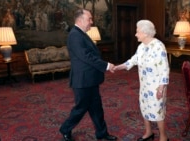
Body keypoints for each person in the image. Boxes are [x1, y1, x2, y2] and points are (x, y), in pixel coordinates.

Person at [59, 8, 117, 141]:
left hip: (90, 80)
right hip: (82, 81)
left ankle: (102, 133)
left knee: (97, 108)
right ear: (80, 20)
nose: (92, 22)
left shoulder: (81, 33)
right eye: (89, 19)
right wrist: (107, 66)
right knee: (80, 109)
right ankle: (65, 129)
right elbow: (87, 57)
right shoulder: (74, 35)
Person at [114, 20, 169, 141]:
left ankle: (163, 136)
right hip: (144, 86)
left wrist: (161, 87)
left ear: (145, 33)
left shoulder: (159, 46)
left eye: (137, 31)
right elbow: (133, 60)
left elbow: (164, 68)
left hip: (156, 86)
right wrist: (119, 66)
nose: (135, 34)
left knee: (157, 111)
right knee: (145, 108)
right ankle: (149, 132)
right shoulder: (141, 47)